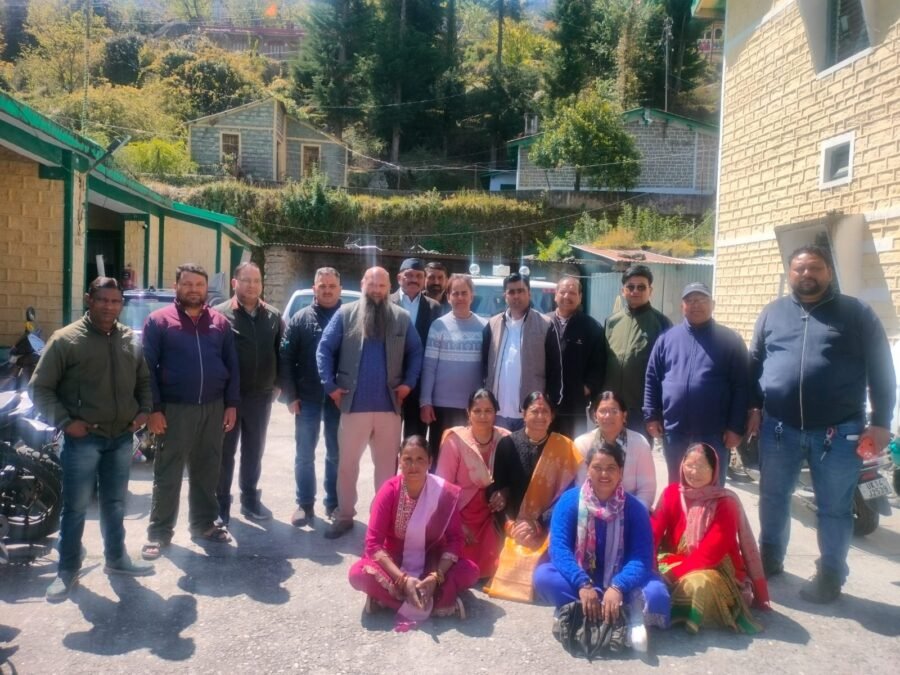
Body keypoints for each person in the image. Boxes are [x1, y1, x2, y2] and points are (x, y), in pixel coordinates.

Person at [747, 245, 895, 603]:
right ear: (790, 273)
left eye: (814, 268)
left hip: (839, 432)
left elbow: (882, 369)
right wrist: (753, 407)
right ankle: (770, 557)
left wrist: (881, 421)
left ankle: (831, 574)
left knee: (834, 507)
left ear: (829, 271)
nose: (806, 274)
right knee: (773, 497)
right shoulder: (773, 313)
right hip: (779, 428)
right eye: (799, 268)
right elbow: (755, 363)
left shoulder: (856, 313)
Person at [31, 277, 154, 602]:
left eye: (115, 301)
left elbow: (143, 380)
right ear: (89, 300)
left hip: (121, 437)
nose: (109, 307)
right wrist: (66, 422)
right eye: (102, 300)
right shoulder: (66, 340)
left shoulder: (128, 339)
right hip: (83, 440)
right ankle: (67, 569)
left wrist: (144, 412)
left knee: (115, 503)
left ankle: (116, 559)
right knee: (75, 508)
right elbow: (40, 388)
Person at [141, 263, 240, 559]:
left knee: (208, 468)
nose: (194, 289)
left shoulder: (220, 323)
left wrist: (231, 404)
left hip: (213, 407)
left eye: (199, 284)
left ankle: (204, 524)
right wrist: (154, 409)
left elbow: (232, 366)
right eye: (187, 284)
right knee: (168, 472)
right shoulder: (158, 321)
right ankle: (159, 533)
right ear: (176, 287)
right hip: (174, 410)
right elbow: (147, 369)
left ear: (206, 288)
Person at [317, 266, 424, 539]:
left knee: (387, 469)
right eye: (372, 284)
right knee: (347, 465)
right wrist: (330, 386)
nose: (376, 290)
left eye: (381, 286)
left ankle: (382, 520)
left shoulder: (401, 317)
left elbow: (416, 352)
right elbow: (324, 349)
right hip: (353, 406)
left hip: (389, 407)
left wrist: (408, 384)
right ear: (363, 284)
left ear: (389, 288)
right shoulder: (345, 314)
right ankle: (344, 516)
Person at [533, 443, 671, 652]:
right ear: (587, 469)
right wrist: (582, 583)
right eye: (597, 467)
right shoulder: (569, 501)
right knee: (543, 577)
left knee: (657, 594)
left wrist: (618, 586)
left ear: (621, 471)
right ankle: (614, 613)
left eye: (611, 468)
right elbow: (559, 549)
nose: (604, 474)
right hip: (582, 577)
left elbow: (642, 557)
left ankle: (588, 610)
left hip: (623, 580)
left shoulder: (634, 508)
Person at [348, 436, 479, 629]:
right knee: (357, 574)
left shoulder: (443, 493)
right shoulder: (389, 491)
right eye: (407, 459)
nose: (413, 466)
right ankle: (437, 604)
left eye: (420, 459)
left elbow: (455, 539)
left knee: (471, 571)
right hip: (394, 563)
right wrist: (403, 580)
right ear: (399, 461)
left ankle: (387, 600)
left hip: (431, 561)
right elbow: (373, 543)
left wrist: (435, 577)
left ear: (430, 462)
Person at [652, 443, 770, 633]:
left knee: (698, 585)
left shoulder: (726, 502)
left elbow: (711, 553)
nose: (694, 472)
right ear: (682, 465)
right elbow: (654, 531)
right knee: (647, 573)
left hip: (716, 567)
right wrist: (648, 563)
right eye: (690, 465)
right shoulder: (672, 493)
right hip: (674, 559)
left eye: (702, 467)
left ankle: (679, 613)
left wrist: (672, 575)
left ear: (714, 470)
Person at [644, 282, 749, 486]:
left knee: (711, 489)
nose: (696, 305)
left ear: (713, 304)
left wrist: (736, 427)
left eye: (702, 300)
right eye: (690, 300)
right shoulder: (667, 339)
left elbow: (741, 386)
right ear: (682, 306)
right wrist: (651, 415)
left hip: (714, 433)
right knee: (678, 487)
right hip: (675, 432)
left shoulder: (731, 340)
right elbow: (652, 378)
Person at [484, 392, 582, 602]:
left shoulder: (564, 447)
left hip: (549, 523)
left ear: (552, 416)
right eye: (534, 411)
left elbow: (566, 499)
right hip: (514, 524)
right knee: (498, 562)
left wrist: (538, 524)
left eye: (545, 411)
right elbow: (498, 491)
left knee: (548, 564)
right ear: (524, 414)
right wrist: (510, 525)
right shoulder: (508, 444)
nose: (540, 416)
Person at [213, 262, 284, 525]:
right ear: (235, 283)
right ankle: (221, 503)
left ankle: (250, 499)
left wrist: (278, 383)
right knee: (225, 452)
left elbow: (281, 352)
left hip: (260, 398)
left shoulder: (273, 316)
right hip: (228, 399)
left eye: (256, 280)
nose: (252, 285)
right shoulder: (219, 315)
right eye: (246, 280)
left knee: (254, 450)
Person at [280, 267, 343, 526]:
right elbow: (285, 359)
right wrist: (290, 395)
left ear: (339, 289)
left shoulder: (349, 318)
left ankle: (334, 504)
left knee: (336, 454)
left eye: (332, 286)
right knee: (305, 454)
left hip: (339, 400)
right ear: (314, 288)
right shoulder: (300, 319)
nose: (327, 290)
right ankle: (304, 504)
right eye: (322, 286)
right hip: (306, 398)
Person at [435, 389, 511, 578]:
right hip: (460, 511)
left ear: (496, 413)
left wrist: (505, 493)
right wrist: (457, 524)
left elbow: (515, 480)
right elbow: (442, 489)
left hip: (492, 512)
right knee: (457, 561)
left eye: (488, 411)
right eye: (477, 411)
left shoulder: (506, 439)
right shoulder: (455, 441)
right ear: (468, 413)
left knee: (498, 564)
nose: (483, 416)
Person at [483, 273, 558, 431]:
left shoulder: (545, 325)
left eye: (521, 291)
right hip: (497, 412)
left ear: (529, 293)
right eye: (511, 292)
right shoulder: (492, 324)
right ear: (505, 296)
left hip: (530, 412)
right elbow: (483, 366)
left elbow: (555, 370)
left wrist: (549, 405)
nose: (516, 296)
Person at [419, 274, 486, 450]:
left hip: (473, 406)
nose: (460, 297)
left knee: (470, 456)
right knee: (441, 454)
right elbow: (429, 367)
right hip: (441, 406)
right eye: (455, 293)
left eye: (464, 293)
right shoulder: (438, 326)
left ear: (472, 296)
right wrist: (425, 401)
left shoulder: (485, 327)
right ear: (448, 297)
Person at [603, 265, 672, 434]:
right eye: (630, 287)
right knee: (606, 450)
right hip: (610, 407)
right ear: (623, 290)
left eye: (641, 287)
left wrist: (656, 413)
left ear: (650, 290)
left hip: (640, 411)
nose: (635, 291)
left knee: (637, 450)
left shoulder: (661, 323)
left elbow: (667, 371)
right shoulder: (612, 322)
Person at [546, 276, 606, 439]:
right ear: (555, 295)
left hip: (575, 405)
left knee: (574, 447)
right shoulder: (544, 322)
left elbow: (599, 364)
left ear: (580, 297)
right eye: (563, 292)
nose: (567, 296)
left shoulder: (592, 327)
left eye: (572, 293)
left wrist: (587, 388)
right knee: (545, 447)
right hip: (546, 402)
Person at [573, 391, 656, 508]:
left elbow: (647, 490)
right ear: (595, 416)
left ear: (624, 416)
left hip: (631, 508)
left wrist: (636, 513)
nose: (608, 416)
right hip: (590, 508)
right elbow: (580, 487)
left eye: (614, 411)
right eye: (603, 411)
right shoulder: (582, 443)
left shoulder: (640, 443)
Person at [390, 258, 442, 439]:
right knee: (387, 442)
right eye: (409, 275)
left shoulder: (434, 307)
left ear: (424, 280)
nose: (414, 279)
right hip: (390, 386)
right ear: (399, 278)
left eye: (419, 276)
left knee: (415, 441)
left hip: (420, 384)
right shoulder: (385, 304)